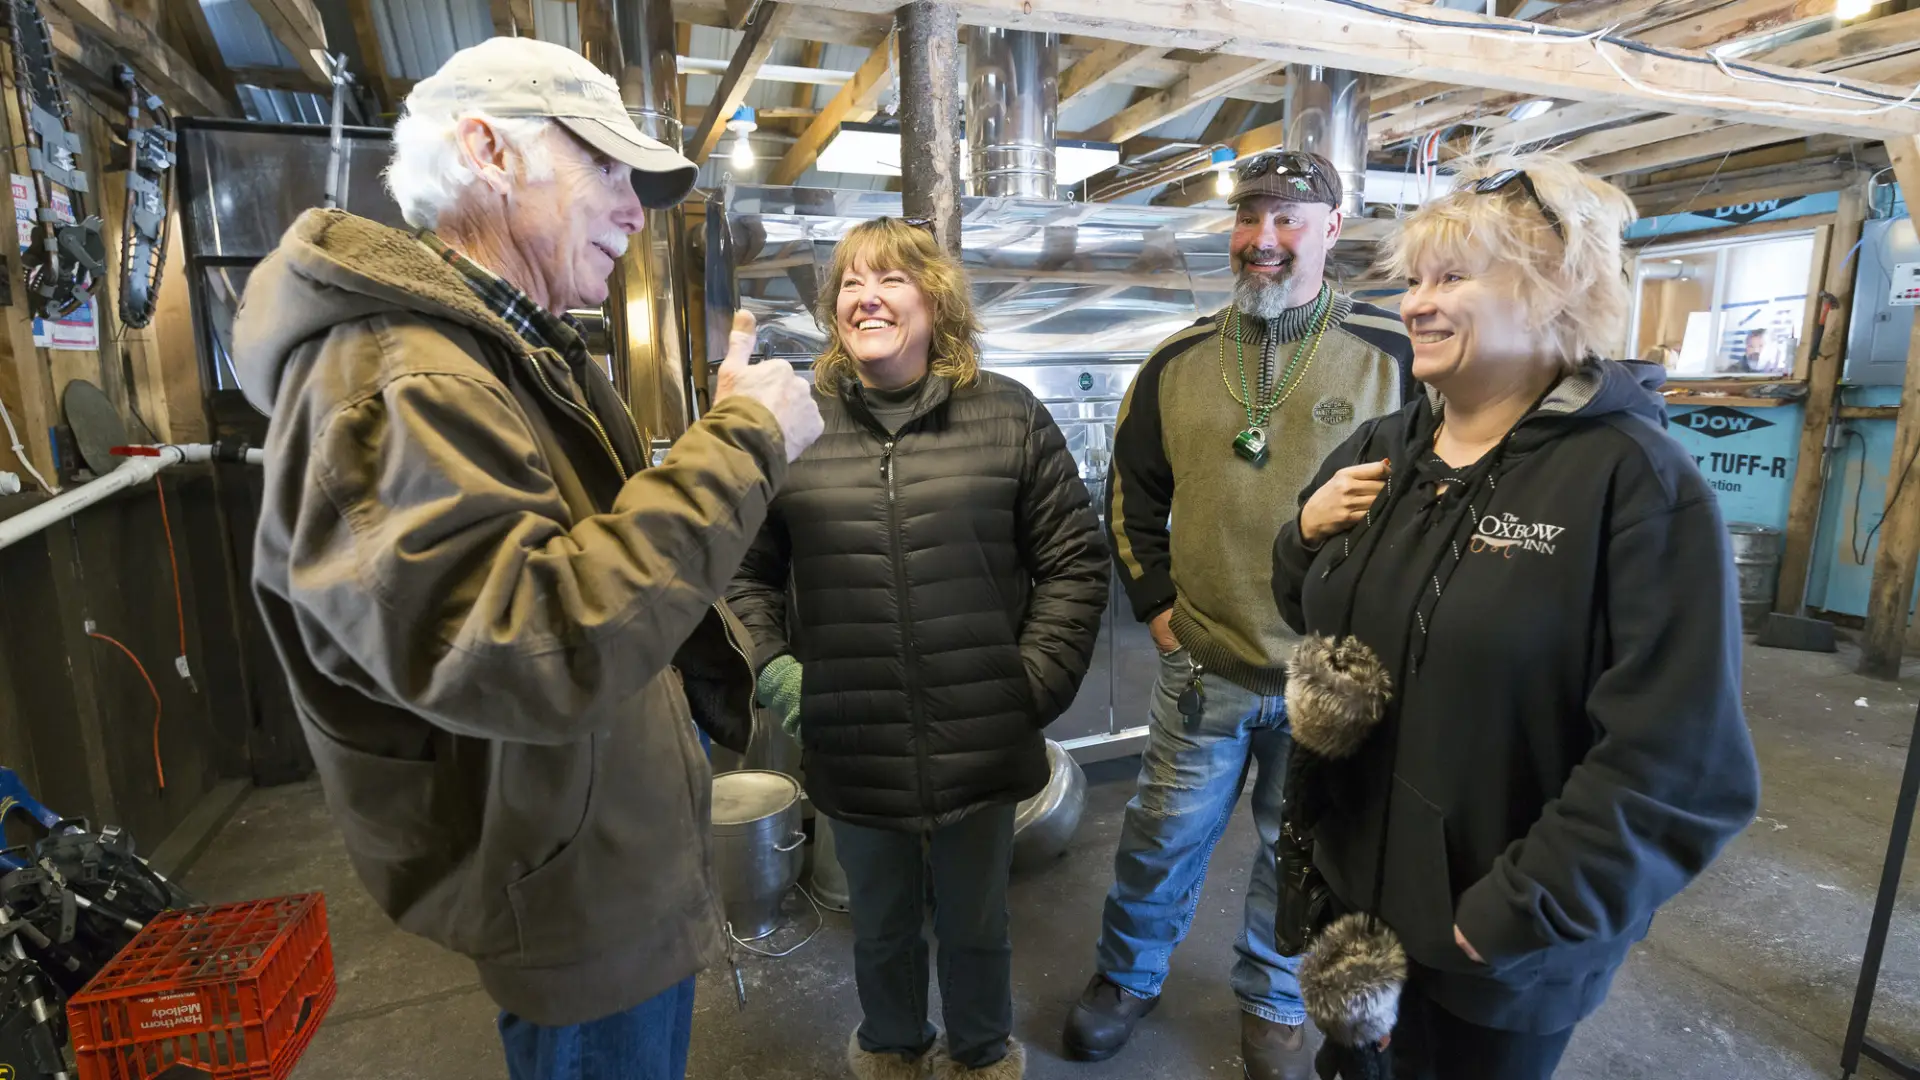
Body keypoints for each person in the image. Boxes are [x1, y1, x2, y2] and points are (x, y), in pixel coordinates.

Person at [234, 37, 823, 1080]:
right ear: (487, 152)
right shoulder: (400, 384)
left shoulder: (498, 357)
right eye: (606, 167)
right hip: (571, 896)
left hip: (598, 861)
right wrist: (744, 441)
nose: (636, 211)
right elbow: (535, 646)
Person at [1270, 155, 1760, 1080]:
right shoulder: (1388, 444)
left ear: (1553, 292)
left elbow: (1680, 767)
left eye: (1452, 277)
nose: (1416, 302)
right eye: (1414, 279)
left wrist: (1514, 914)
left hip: (1492, 943)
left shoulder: (1633, 483)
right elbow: (1308, 604)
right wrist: (1300, 534)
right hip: (1355, 906)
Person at [727, 217, 1108, 1080]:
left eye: (893, 279)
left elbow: (1075, 563)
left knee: (978, 925)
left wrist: (1030, 684)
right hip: (852, 733)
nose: (868, 297)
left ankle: (980, 1054)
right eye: (852, 284)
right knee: (883, 924)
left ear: (935, 300)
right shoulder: (798, 427)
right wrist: (781, 678)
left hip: (980, 732)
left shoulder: (1006, 414)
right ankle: (894, 1049)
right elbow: (741, 571)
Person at [1065, 150, 1416, 1080]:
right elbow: (1128, 497)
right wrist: (1156, 609)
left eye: (1289, 219)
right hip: (1204, 662)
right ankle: (1127, 976)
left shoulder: (1395, 362)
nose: (1264, 238)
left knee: (1294, 850)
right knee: (1159, 836)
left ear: (1331, 231)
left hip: (1328, 675)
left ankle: (1270, 1000)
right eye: (1249, 218)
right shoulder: (1178, 361)